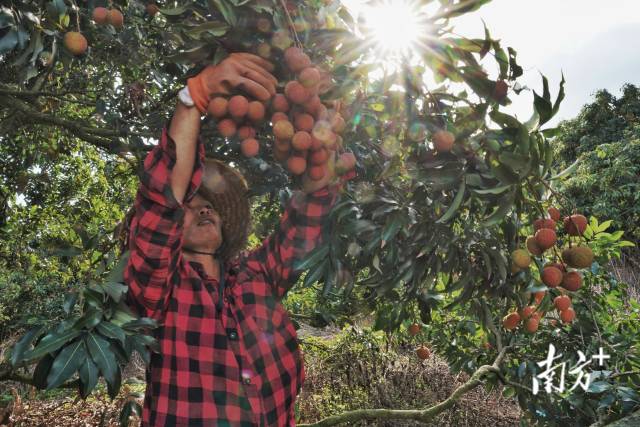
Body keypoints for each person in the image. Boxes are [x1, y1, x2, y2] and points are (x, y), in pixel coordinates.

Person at [121, 53, 350, 426]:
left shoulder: (256, 275)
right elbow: (161, 200)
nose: (204, 211)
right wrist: (195, 96)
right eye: (190, 207)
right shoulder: (160, 287)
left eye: (210, 206)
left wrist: (321, 153)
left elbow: (308, 220)